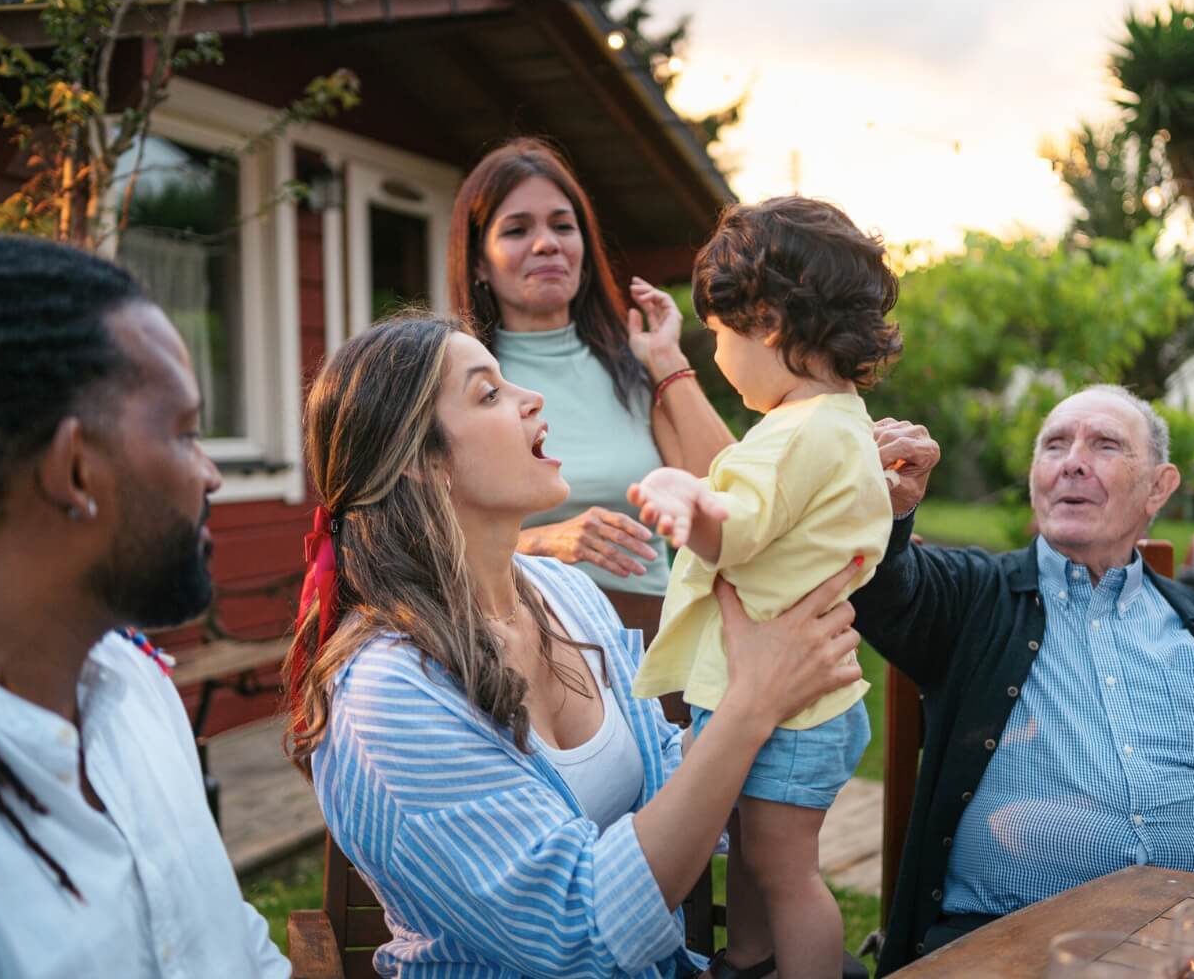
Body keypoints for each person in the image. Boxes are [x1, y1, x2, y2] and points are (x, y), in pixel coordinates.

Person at [283, 312, 865, 978]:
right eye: (489, 394)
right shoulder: (386, 693)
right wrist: (751, 706)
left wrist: (853, 501)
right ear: (422, 463)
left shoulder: (564, 593)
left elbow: (670, 783)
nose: (531, 399)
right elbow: (575, 933)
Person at [853, 386, 1194, 977]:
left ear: (1159, 486)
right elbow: (885, 587)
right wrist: (890, 510)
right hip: (1004, 951)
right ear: (1035, 479)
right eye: (1055, 444)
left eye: (1105, 445)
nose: (1073, 460)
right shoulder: (974, 598)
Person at [0, 234, 289, 977]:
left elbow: (237, 945)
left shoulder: (135, 692)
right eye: (187, 433)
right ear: (75, 469)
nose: (210, 477)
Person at [629, 196, 903, 979]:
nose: (715, 355)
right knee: (752, 857)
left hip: (785, 708)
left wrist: (688, 502)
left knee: (786, 877)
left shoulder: (795, 434)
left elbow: (737, 527)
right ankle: (746, 959)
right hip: (803, 700)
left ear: (770, 322)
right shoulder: (841, 419)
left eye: (717, 333)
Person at [448, 137, 734, 643]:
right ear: (478, 263)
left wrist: (665, 360)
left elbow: (732, 493)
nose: (546, 243)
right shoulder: (457, 382)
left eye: (563, 225)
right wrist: (542, 542)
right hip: (515, 641)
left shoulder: (632, 369)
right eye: (517, 229)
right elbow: (421, 542)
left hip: (648, 637)